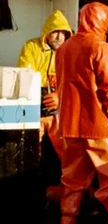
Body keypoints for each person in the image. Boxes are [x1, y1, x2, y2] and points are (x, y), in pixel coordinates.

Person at [55, 2, 108, 224]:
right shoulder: (102, 48)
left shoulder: (64, 48)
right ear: (102, 21)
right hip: (100, 127)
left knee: (72, 180)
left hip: (69, 126)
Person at [16, 9, 72, 163]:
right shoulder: (31, 47)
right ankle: (32, 183)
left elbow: (74, 80)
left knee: (67, 148)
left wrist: (59, 96)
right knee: (32, 148)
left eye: (64, 33)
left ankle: (71, 185)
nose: (60, 37)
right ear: (46, 33)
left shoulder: (70, 51)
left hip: (59, 110)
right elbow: (25, 75)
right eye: (55, 32)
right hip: (35, 107)